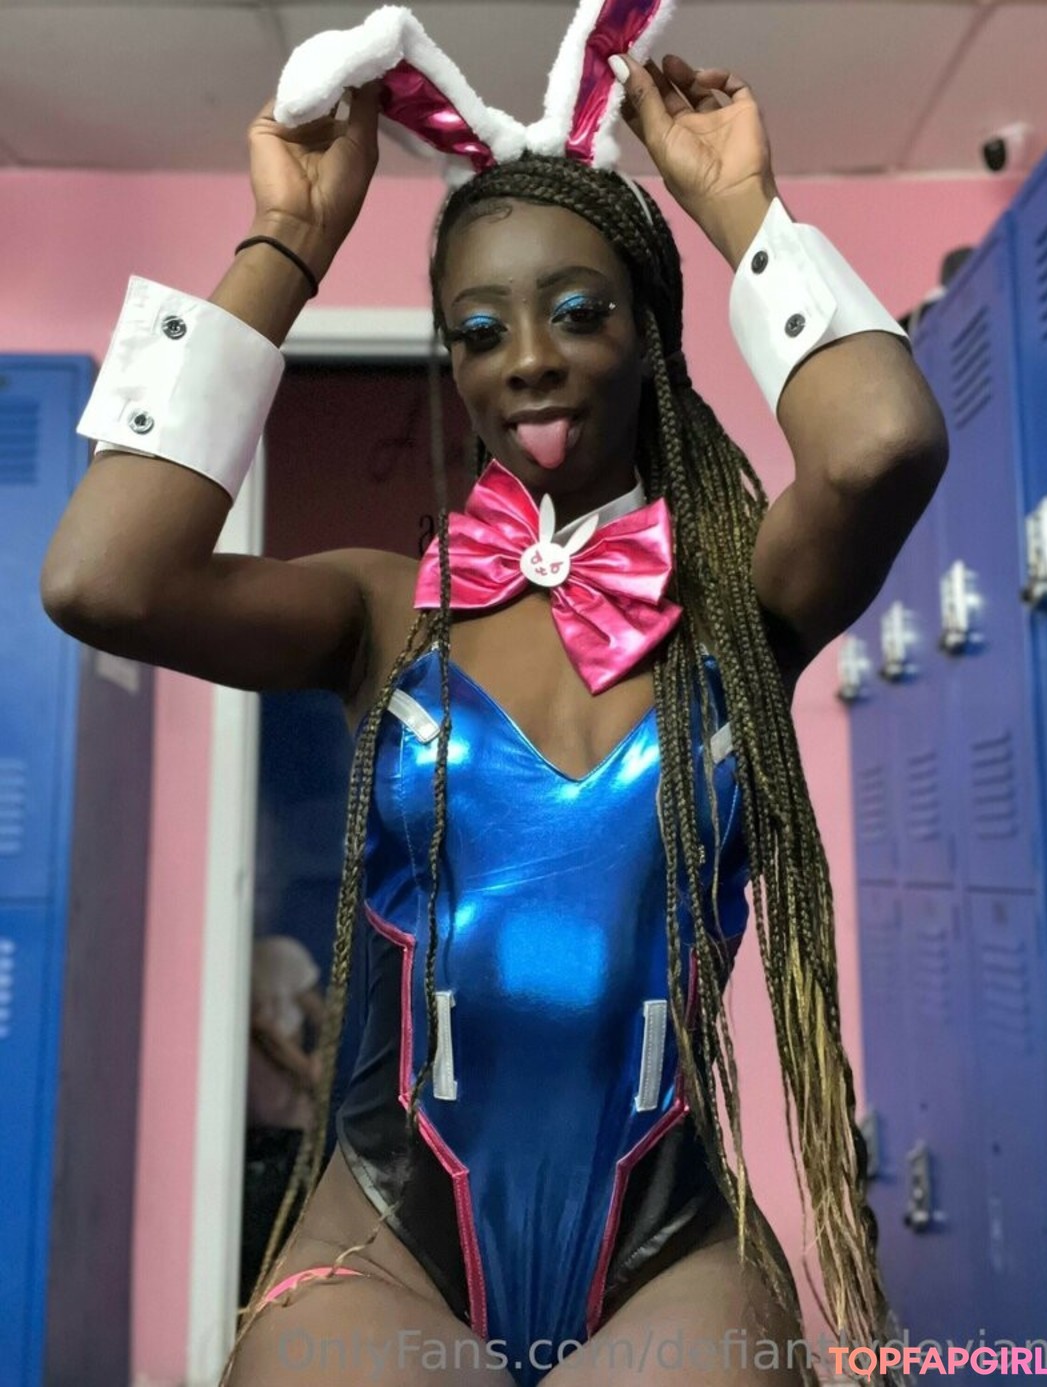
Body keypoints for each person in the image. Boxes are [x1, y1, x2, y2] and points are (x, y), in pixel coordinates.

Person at [44, 10, 949, 1384]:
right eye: (479, 330)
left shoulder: (743, 602)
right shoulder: (381, 612)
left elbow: (882, 443)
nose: (525, 356)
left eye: (578, 312)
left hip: (667, 1246)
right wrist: (285, 241)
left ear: (650, 334)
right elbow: (99, 578)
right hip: (385, 1236)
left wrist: (741, 208)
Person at [240, 935, 325, 1306]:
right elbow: (263, 1032)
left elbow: (324, 1016)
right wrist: (306, 1069)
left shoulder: (282, 955)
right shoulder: (229, 967)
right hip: (256, 1130)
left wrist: (317, 1062)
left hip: (293, 1124)